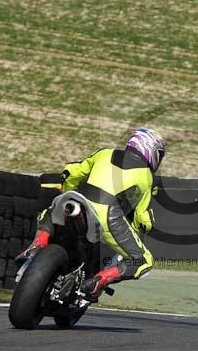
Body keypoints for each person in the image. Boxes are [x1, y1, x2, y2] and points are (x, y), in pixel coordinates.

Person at [20, 128, 165, 300]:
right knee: (143, 260)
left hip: (79, 201)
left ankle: (36, 245)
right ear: (150, 150)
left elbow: (71, 171)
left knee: (51, 210)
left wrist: (67, 190)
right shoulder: (147, 177)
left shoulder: (104, 153)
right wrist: (147, 227)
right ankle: (100, 279)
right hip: (109, 218)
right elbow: (143, 219)